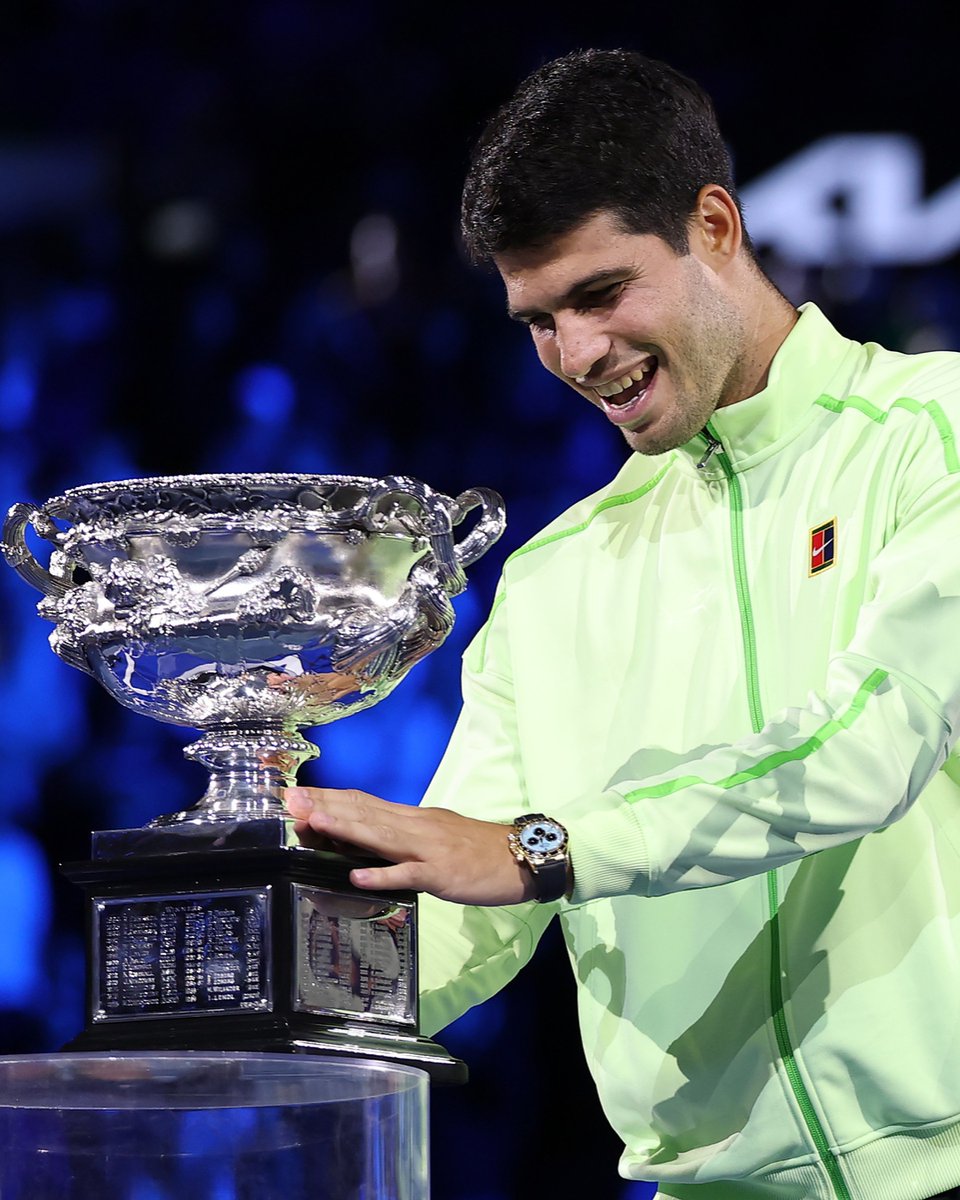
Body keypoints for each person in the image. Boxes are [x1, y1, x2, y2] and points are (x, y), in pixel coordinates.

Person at [284, 49, 960, 1200]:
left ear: (714, 225)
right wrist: (272, 971)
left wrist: (548, 849)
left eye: (602, 293)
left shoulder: (928, 430)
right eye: (538, 319)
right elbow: (463, 918)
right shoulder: (554, 580)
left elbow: (870, 746)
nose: (578, 356)